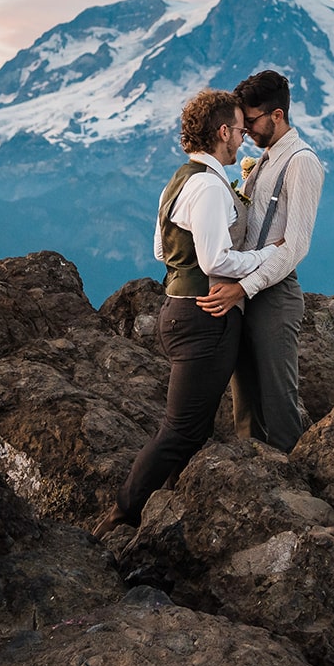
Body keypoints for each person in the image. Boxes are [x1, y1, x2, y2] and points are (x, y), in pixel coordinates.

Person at [93, 89, 277, 536]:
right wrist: (265, 257)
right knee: (181, 432)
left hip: (175, 311)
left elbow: (161, 250)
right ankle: (121, 516)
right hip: (206, 318)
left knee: (190, 429)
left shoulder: (178, 180)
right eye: (237, 130)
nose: (242, 139)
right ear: (221, 133)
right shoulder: (211, 186)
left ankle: (163, 515)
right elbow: (216, 261)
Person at [197, 69, 324, 453]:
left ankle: (293, 485)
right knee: (245, 399)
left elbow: (296, 245)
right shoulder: (264, 159)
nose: (245, 130)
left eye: (250, 121)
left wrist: (243, 287)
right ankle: (254, 474)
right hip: (243, 290)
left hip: (273, 293)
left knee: (278, 400)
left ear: (277, 116)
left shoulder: (302, 163)